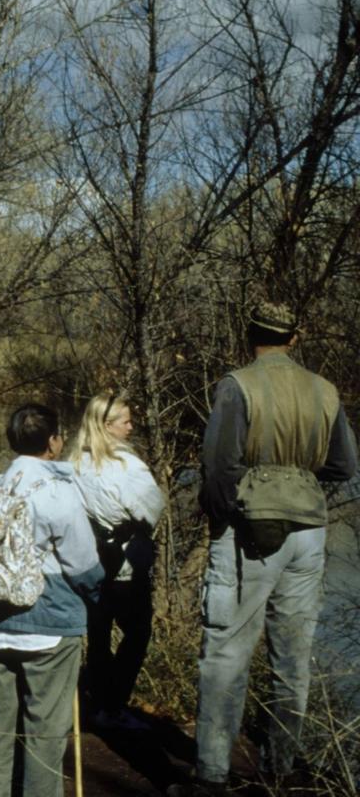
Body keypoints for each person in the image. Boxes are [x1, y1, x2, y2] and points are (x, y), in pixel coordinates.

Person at [171, 302, 358, 797]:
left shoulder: (238, 384)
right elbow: (344, 465)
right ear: (294, 340)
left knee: (226, 653)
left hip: (249, 534)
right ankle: (281, 769)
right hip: (309, 533)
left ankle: (212, 776)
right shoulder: (324, 390)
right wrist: (297, 480)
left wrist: (228, 514)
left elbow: (218, 469)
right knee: (293, 657)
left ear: (248, 335)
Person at [0, 403, 104, 797]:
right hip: (50, 625)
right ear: (53, 443)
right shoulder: (57, 493)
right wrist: (100, 596)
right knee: (44, 730)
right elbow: (83, 566)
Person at [70, 392, 165, 732]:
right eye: (125, 421)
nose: (131, 426)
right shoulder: (127, 466)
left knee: (98, 633)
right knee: (137, 632)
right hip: (123, 563)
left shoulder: (75, 464)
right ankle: (113, 705)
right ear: (107, 426)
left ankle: (98, 702)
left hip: (89, 560)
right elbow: (153, 508)